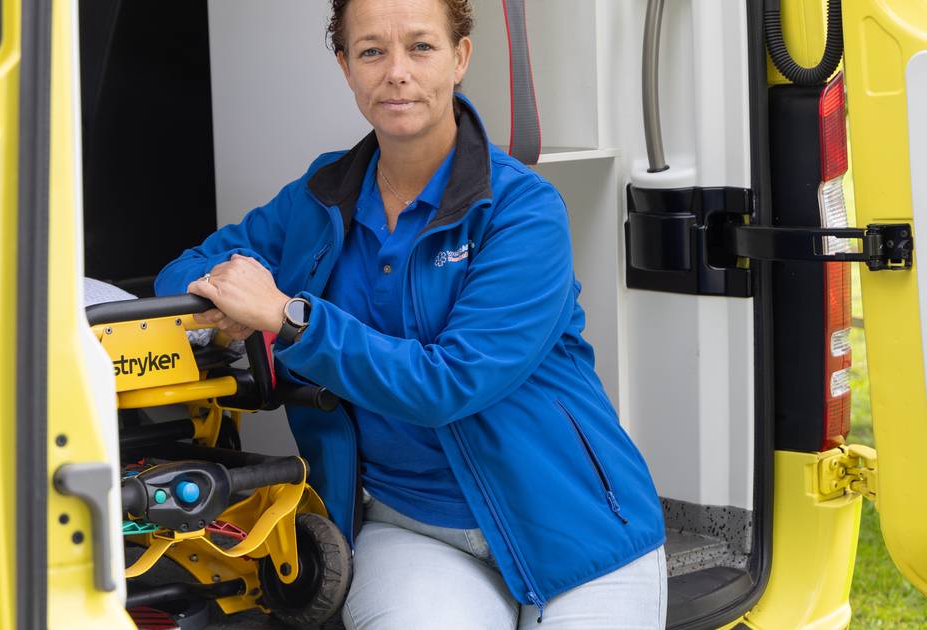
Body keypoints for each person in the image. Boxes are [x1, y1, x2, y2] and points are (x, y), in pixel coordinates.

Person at [154, 0, 667, 627]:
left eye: (421, 47)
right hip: (413, 529)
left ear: (460, 58)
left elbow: (450, 383)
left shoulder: (521, 209)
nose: (396, 71)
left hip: (575, 527)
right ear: (345, 67)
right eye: (371, 51)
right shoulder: (320, 198)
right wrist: (227, 296)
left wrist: (288, 318)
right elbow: (182, 271)